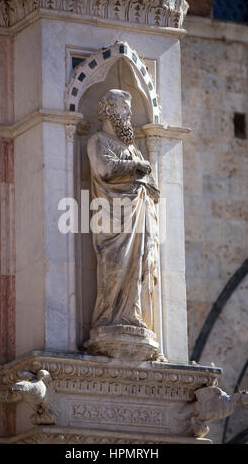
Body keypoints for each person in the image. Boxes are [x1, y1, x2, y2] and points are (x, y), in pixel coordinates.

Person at [87, 89, 160, 332]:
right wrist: (138, 167)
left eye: (129, 108)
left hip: (139, 212)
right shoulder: (97, 141)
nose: (129, 112)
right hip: (112, 216)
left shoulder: (134, 149)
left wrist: (148, 183)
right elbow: (105, 169)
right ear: (109, 110)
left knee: (137, 264)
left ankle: (131, 313)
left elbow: (152, 186)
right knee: (114, 263)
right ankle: (107, 316)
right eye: (123, 107)